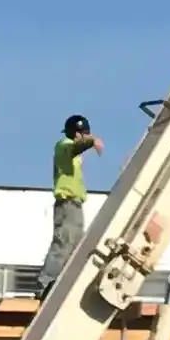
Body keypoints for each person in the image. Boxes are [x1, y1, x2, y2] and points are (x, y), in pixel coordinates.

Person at [45, 112, 102, 279]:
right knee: (64, 243)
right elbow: (76, 147)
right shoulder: (64, 145)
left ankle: (60, 283)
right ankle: (47, 282)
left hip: (75, 204)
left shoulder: (74, 153)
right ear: (77, 134)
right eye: (84, 134)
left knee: (74, 247)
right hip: (67, 203)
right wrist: (92, 142)